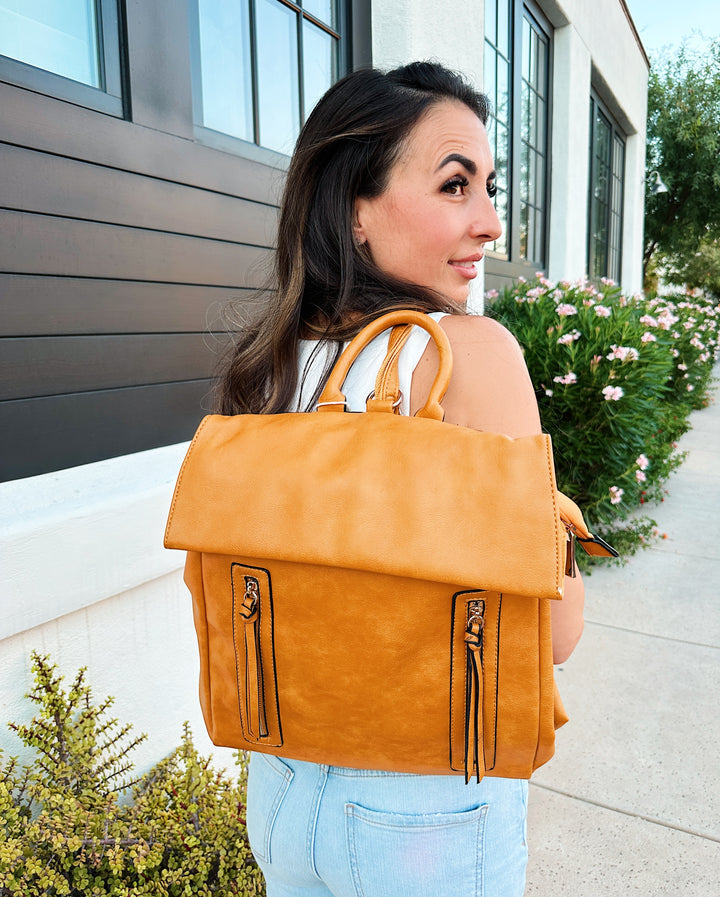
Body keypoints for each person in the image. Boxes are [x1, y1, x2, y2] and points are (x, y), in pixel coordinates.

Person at [217, 61, 584, 897]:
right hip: (428, 809)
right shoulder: (467, 354)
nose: (490, 222)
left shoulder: (269, 366)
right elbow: (554, 636)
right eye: (456, 185)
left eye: (489, 187)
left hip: (282, 790)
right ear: (355, 207)